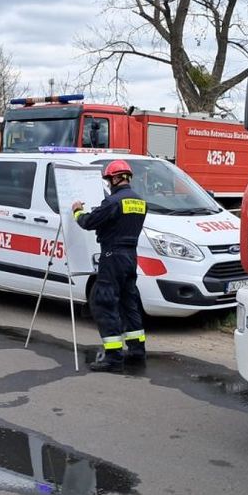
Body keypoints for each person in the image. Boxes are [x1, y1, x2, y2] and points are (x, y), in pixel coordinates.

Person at [72, 159, 147, 373]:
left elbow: (88, 222)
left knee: (105, 302)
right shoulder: (140, 201)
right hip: (130, 257)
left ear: (115, 178)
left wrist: (77, 211)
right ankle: (136, 349)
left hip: (112, 256)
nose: (109, 184)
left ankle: (113, 356)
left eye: (109, 180)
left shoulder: (113, 202)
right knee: (128, 302)